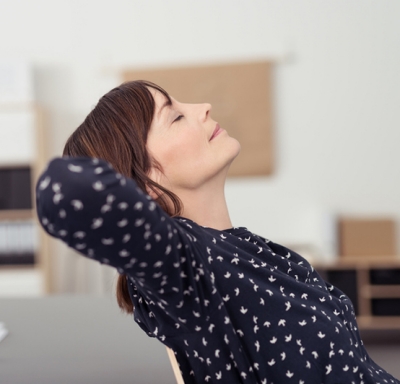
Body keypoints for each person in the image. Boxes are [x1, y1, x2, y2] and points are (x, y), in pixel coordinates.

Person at [36, 80, 399, 384]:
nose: (204, 107)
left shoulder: (242, 247)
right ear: (145, 183)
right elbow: (64, 191)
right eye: (175, 116)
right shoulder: (189, 270)